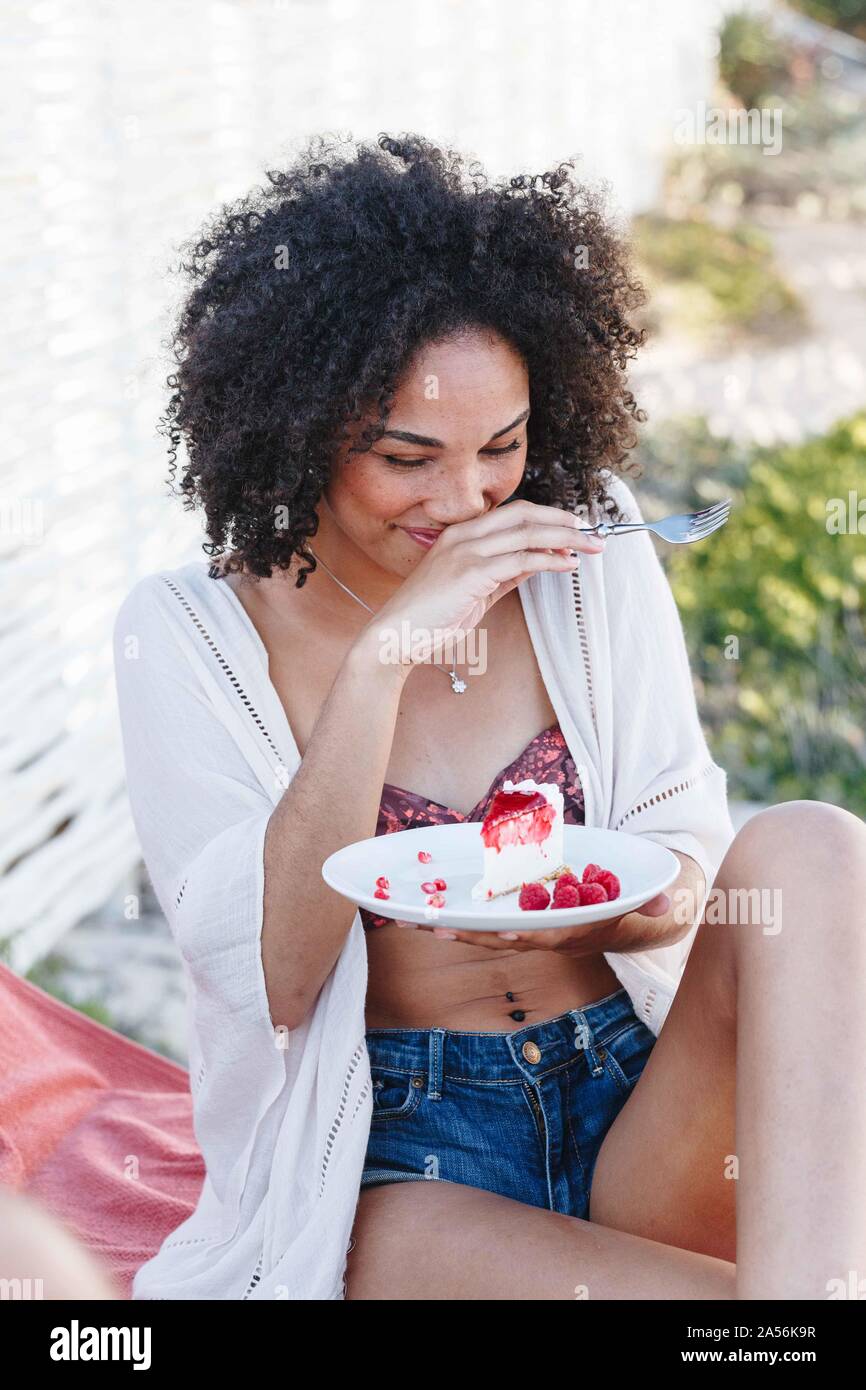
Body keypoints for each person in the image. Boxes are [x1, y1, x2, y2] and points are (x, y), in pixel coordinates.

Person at [113, 133, 866, 1300]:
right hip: (400, 1160)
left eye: (501, 447)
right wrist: (384, 658)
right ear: (301, 420)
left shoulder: (588, 552)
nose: (463, 499)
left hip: (633, 1103)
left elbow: (690, 866)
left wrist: (581, 917)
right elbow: (272, 978)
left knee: (815, 841)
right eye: (406, 457)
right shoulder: (186, 633)